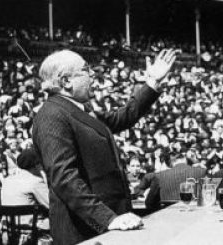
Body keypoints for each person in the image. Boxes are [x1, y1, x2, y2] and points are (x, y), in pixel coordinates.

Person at [32, 48, 176, 245]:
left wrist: (152, 83)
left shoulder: (80, 109)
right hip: (83, 231)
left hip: (108, 223)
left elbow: (123, 117)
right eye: (86, 70)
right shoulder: (52, 115)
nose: (93, 74)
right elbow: (64, 177)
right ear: (66, 81)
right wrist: (107, 218)